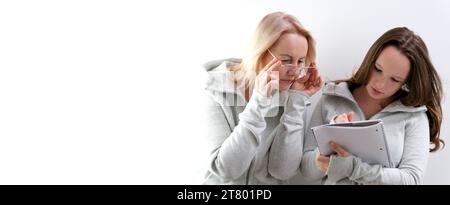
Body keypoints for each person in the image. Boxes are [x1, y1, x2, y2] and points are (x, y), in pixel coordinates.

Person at [301, 27, 444, 184]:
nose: (380, 84)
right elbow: (306, 171)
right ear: (371, 60)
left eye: (395, 79)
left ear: (406, 82)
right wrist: (329, 143)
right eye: (378, 69)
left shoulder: (415, 116)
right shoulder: (333, 98)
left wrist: (353, 168)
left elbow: (412, 179)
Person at [203, 12, 322, 184]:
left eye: (300, 61)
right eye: (286, 60)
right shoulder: (215, 89)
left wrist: (296, 104)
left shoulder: (290, 94)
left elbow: (283, 171)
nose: (295, 71)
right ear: (260, 54)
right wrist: (258, 104)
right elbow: (226, 170)